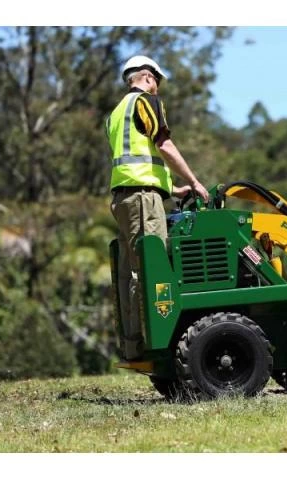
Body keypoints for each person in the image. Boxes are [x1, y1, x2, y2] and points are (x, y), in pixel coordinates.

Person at [106, 55, 209, 360]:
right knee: (151, 268)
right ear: (148, 77)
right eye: (157, 82)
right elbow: (163, 145)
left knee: (130, 272)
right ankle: (156, 342)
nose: (157, 88)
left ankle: (133, 345)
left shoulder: (115, 113)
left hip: (124, 198)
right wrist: (194, 181)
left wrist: (172, 189)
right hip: (142, 199)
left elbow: (135, 162)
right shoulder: (146, 102)